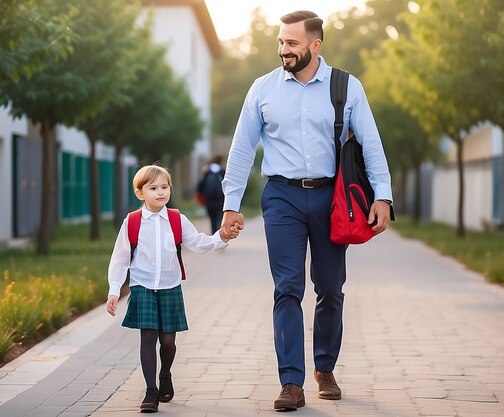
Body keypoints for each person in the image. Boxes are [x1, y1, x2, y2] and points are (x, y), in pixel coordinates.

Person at [220, 10, 393, 412]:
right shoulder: (262, 89)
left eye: (292, 43)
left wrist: (383, 196)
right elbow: (242, 149)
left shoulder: (346, 87)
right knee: (287, 288)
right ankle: (291, 382)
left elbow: (371, 144)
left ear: (315, 45)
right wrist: (231, 205)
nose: (284, 49)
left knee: (330, 288)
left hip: (332, 198)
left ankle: (325, 368)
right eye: (281, 42)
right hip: (281, 197)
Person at [106, 164, 238, 413]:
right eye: (153, 188)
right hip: (142, 285)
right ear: (140, 193)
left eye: (164, 187)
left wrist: (221, 237)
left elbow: (198, 243)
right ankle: (151, 390)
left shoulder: (177, 219)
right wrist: (114, 290)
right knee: (148, 337)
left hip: (170, 285)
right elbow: (120, 257)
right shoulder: (132, 222)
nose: (160, 192)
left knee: (168, 342)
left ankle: (165, 373)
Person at [197, 155, 226, 233]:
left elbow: (201, 184)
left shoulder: (207, 171)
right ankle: (219, 233)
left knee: (212, 218)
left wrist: (200, 195)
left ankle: (214, 233)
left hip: (209, 200)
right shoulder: (222, 171)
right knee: (219, 217)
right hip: (220, 199)